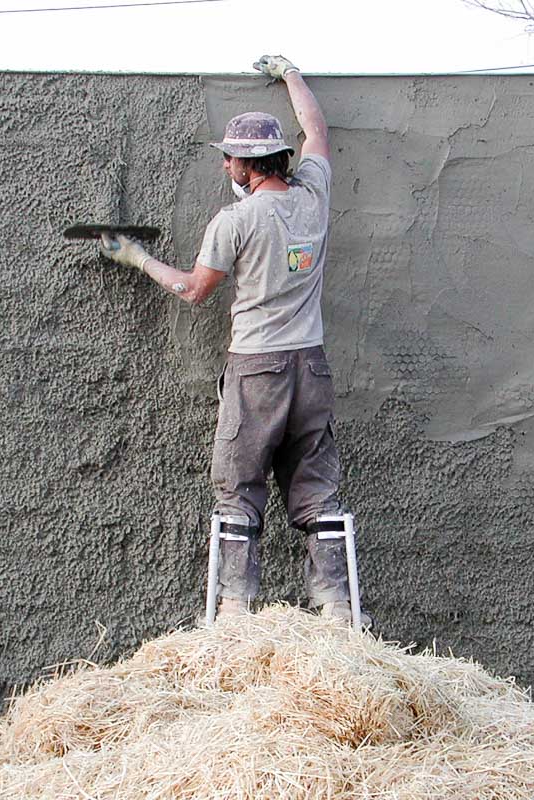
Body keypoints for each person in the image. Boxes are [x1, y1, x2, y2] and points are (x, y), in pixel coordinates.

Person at [98, 55, 359, 622]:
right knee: (317, 489)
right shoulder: (313, 194)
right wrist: (290, 72)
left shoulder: (234, 222)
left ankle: (235, 610)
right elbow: (316, 131)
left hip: (256, 370)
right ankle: (337, 610)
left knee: (238, 485)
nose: (225, 167)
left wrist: (137, 258)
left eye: (229, 158)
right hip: (310, 367)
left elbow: (195, 290)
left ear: (247, 162)